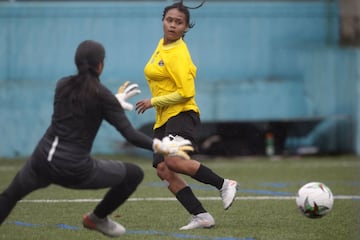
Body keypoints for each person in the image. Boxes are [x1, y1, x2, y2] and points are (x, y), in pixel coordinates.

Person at [0, 40, 193, 237]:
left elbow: (83, 104)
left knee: (9, 196)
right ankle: (97, 218)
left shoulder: (62, 85)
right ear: (100, 65)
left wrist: (113, 103)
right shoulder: (102, 96)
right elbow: (130, 135)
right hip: (73, 169)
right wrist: (160, 145)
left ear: (76, 62)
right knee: (134, 174)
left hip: (40, 161)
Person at [136, 1, 238, 230]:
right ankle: (201, 216)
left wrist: (153, 101)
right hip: (164, 119)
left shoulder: (178, 52)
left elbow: (186, 93)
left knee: (174, 161)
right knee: (163, 169)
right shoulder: (162, 44)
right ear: (163, 21)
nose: (172, 25)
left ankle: (224, 184)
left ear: (186, 28)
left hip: (182, 115)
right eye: (169, 20)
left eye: (178, 22)